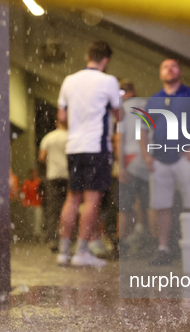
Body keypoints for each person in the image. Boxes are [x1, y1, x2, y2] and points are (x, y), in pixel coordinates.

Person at [56, 41, 122, 267]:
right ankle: (81, 252)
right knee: (92, 199)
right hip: (97, 147)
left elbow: (62, 117)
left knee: (72, 198)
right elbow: (119, 114)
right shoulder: (108, 81)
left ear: (87, 56)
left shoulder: (69, 81)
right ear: (106, 60)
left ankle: (63, 251)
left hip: (74, 147)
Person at [140, 59, 190, 266]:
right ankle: (163, 248)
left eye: (174, 66)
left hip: (185, 158)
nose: (169, 69)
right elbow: (142, 131)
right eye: (164, 67)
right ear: (160, 73)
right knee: (161, 206)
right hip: (160, 160)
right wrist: (146, 155)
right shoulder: (152, 101)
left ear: (180, 71)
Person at [117, 80, 151, 256]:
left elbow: (120, 139)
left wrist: (120, 166)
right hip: (147, 158)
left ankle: (121, 244)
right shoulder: (146, 105)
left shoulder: (122, 111)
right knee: (149, 203)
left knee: (124, 205)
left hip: (130, 158)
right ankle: (152, 242)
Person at [39, 120, 69, 252]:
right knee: (68, 207)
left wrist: (50, 165)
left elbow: (41, 157)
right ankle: (67, 239)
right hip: (68, 176)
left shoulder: (48, 138)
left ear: (56, 123)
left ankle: (53, 239)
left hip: (53, 176)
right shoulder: (71, 137)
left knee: (53, 209)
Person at [21, 168, 43, 240]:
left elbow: (42, 193)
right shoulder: (26, 182)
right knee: (29, 220)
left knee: (37, 220)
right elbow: (23, 193)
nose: (34, 174)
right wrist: (23, 201)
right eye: (32, 173)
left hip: (37, 205)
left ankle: (37, 235)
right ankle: (30, 235)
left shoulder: (39, 182)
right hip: (28, 204)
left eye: (35, 173)